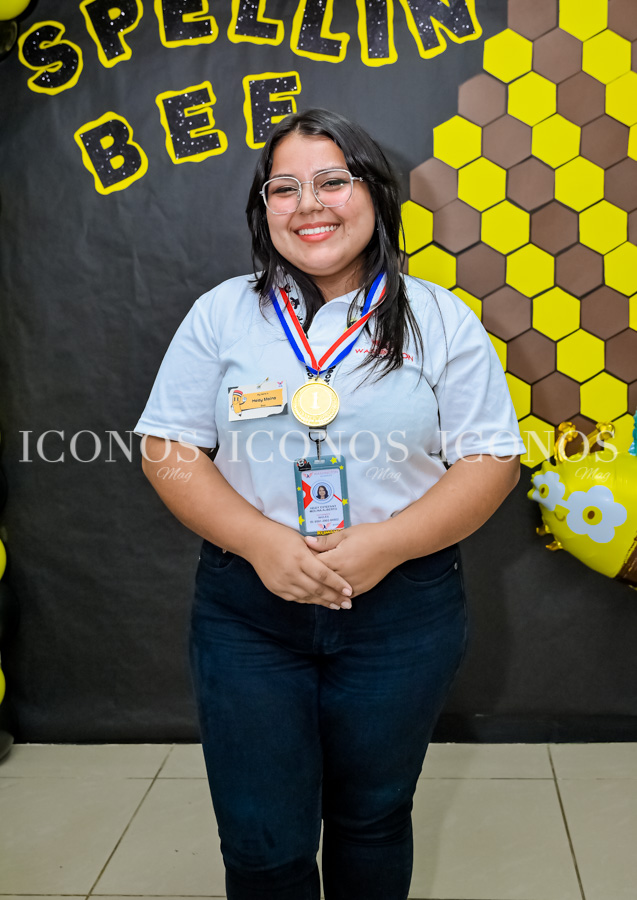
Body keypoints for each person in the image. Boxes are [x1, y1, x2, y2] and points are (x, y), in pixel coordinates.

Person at [134, 108, 525, 900]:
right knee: (260, 840)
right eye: (284, 187)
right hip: (248, 610)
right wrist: (258, 542)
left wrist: (383, 545)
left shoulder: (439, 317)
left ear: (373, 194)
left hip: (400, 611)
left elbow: (490, 460)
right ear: (263, 209)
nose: (307, 203)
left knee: (372, 818)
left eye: (331, 181)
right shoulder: (222, 312)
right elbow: (167, 448)